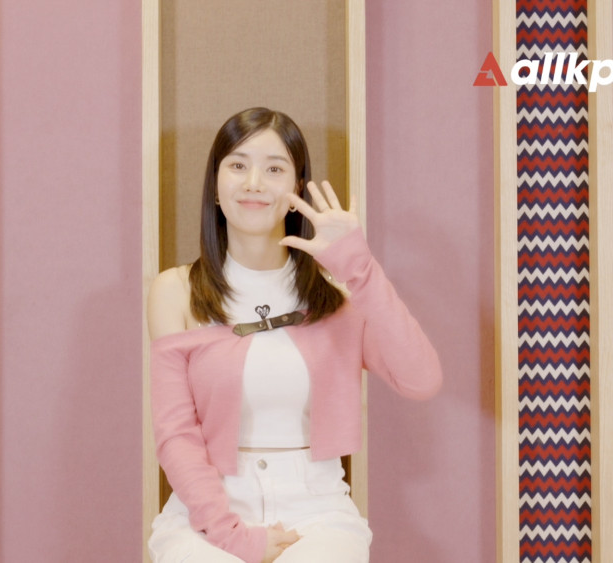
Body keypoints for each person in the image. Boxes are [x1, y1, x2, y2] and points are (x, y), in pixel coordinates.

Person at [147, 107, 442, 562]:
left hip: (316, 509)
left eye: (274, 169)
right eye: (238, 165)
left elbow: (420, 380)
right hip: (207, 510)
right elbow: (176, 434)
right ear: (216, 184)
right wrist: (233, 536)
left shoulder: (338, 293)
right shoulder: (175, 290)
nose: (254, 183)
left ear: (296, 190)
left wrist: (360, 267)